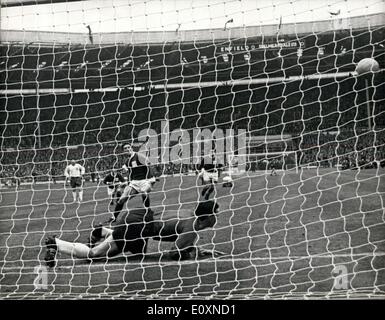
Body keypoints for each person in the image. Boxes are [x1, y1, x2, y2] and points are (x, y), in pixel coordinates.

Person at [44, 200, 223, 267]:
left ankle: (103, 231)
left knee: (139, 254)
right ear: (207, 217)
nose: (217, 217)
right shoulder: (192, 228)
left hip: (140, 217)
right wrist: (194, 253)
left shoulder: (189, 213)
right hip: (137, 227)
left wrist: (195, 249)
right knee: (95, 254)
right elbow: (174, 253)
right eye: (216, 214)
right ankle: (56, 243)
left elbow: (176, 231)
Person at [112, 143, 157, 222]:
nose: (127, 149)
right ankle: (114, 218)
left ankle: (148, 212)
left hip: (145, 180)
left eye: (129, 147)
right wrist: (128, 182)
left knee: (144, 192)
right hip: (134, 182)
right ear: (123, 151)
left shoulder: (139, 156)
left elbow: (150, 164)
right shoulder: (127, 161)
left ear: (131, 148)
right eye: (125, 148)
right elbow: (130, 173)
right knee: (122, 199)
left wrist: (152, 178)